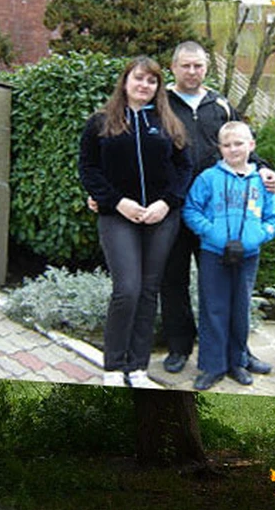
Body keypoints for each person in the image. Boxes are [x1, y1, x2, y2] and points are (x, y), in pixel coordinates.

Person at [159, 41, 275, 375]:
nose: (192, 72)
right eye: (186, 65)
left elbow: (240, 141)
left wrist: (265, 169)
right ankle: (180, 347)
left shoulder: (221, 105)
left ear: (206, 68)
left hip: (219, 215)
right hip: (172, 208)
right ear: (173, 67)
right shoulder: (161, 104)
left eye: (198, 66)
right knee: (173, 280)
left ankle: (239, 352)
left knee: (230, 286)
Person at [79, 55, 192, 389]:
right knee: (127, 289)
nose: (144, 85)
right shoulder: (101, 122)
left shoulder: (168, 122)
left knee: (148, 290)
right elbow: (89, 169)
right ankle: (114, 366)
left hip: (161, 217)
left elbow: (184, 168)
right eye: (138, 78)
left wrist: (166, 203)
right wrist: (118, 202)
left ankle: (138, 367)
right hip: (118, 217)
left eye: (151, 80)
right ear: (125, 81)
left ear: (158, 86)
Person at [181, 121, 275, 390]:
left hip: (248, 256)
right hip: (214, 254)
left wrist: (255, 238)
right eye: (227, 145)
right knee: (214, 308)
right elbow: (191, 210)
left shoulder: (263, 182)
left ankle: (238, 361)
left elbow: (273, 218)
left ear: (251, 145)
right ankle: (213, 366)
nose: (233, 149)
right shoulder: (208, 179)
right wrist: (213, 233)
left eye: (239, 143)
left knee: (240, 308)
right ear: (220, 148)